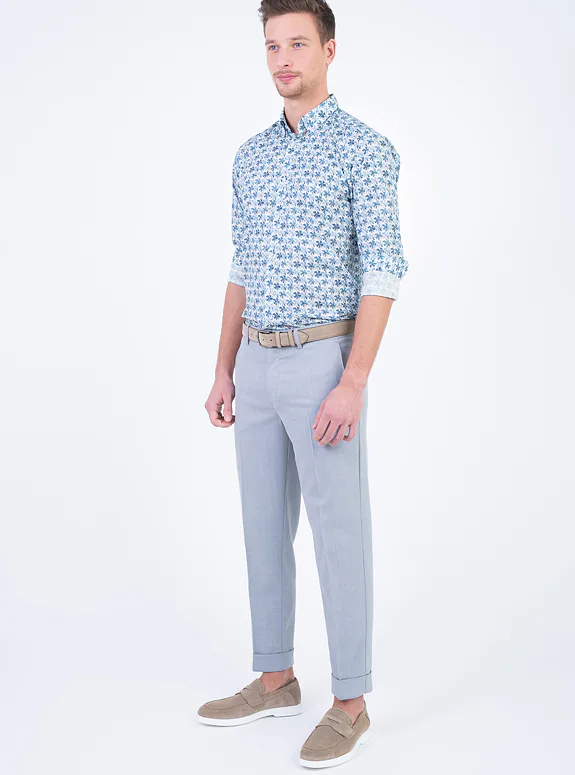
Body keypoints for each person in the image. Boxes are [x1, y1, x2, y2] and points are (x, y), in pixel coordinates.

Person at [199, 0, 408, 767]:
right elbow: (240, 265)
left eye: (296, 43)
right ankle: (275, 676)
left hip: (324, 362)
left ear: (328, 49)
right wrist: (222, 366)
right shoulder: (249, 156)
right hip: (255, 362)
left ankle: (350, 701)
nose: (282, 58)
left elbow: (383, 269)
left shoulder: (366, 150)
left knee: (338, 531)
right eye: (271, 46)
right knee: (261, 524)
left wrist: (353, 380)